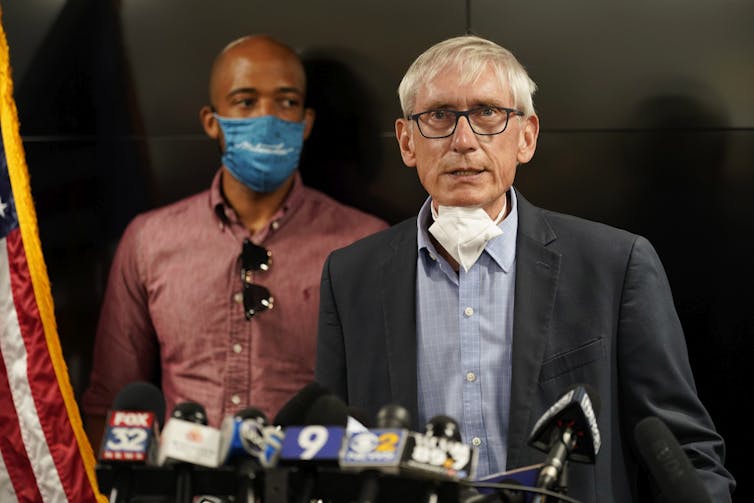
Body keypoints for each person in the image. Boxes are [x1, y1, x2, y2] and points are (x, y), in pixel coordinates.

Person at [315, 35, 735, 502]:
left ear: (527, 137)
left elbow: (684, 451)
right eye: (439, 116)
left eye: (488, 114)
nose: (464, 140)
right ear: (407, 141)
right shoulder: (351, 277)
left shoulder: (614, 266)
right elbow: (332, 459)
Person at [81, 35, 387, 445]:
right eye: (245, 102)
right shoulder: (150, 239)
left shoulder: (362, 242)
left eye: (286, 102)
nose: (268, 118)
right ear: (212, 121)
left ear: (306, 122)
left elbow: (381, 400)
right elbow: (110, 404)